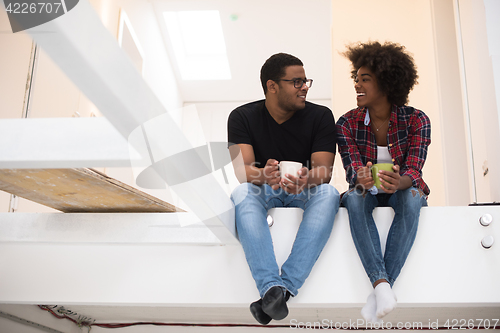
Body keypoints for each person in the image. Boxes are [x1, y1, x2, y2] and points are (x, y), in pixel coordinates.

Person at [228, 53, 339, 325]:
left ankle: (278, 289)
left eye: (306, 81)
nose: (305, 87)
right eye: (297, 82)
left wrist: (306, 179)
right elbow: (242, 172)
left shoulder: (321, 115)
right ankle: (274, 290)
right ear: (272, 86)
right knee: (242, 193)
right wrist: (263, 175)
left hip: (304, 190)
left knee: (330, 193)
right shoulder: (241, 116)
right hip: (264, 189)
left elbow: (324, 171)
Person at [336, 41, 431, 323]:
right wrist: (361, 178)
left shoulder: (417, 120)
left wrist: (398, 182)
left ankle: (377, 291)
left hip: (402, 190)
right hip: (367, 193)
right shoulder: (346, 123)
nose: (357, 84)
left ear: (387, 83)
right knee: (354, 197)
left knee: (412, 197)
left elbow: (414, 171)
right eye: (356, 78)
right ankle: (382, 286)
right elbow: (352, 171)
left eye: (365, 79)